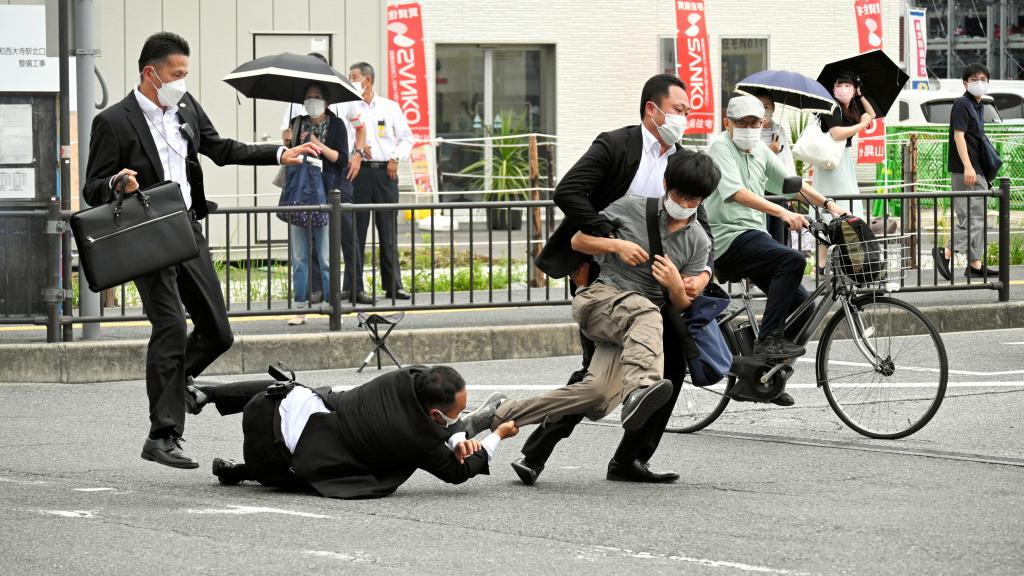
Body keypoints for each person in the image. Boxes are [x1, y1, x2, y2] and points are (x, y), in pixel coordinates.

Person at [82, 32, 320, 469]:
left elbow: (220, 149)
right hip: (145, 233)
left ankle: (177, 384)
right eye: (176, 75)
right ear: (150, 73)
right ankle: (163, 434)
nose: (182, 83)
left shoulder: (186, 109)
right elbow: (92, 187)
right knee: (171, 326)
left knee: (218, 331)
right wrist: (118, 183)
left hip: (187, 229)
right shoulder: (115, 121)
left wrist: (279, 153)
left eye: (186, 75)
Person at [524, 74, 716, 486]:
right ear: (653, 108)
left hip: (661, 285)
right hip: (607, 277)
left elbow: (701, 225)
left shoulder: (681, 160)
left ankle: (630, 459)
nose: (684, 117)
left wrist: (702, 274)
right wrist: (608, 237)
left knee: (673, 364)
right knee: (596, 371)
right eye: (679, 110)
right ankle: (537, 451)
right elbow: (568, 191)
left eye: (686, 112)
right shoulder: (616, 145)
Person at [486, 151, 717, 442]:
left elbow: (683, 304)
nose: (684, 204)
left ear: (704, 199)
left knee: (595, 395)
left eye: (693, 200)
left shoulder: (699, 241)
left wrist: (675, 285)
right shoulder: (632, 207)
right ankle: (642, 387)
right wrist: (617, 246)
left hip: (634, 329)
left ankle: (501, 412)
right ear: (666, 183)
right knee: (647, 312)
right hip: (601, 300)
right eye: (680, 195)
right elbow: (578, 240)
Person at [705, 95, 848, 405]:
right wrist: (782, 212)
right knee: (792, 259)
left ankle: (764, 378)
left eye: (754, 123)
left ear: (763, 124)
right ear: (728, 123)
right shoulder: (720, 148)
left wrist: (829, 205)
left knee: (804, 305)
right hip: (727, 239)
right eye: (741, 123)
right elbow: (735, 193)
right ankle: (767, 341)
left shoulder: (758, 149)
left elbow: (790, 182)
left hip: (753, 237)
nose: (748, 128)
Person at [187, 365, 518, 499]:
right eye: (458, 412)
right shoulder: (420, 441)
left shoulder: (401, 378)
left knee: (296, 390)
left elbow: (426, 380)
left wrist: (456, 434)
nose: (459, 416)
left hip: (265, 407)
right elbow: (459, 473)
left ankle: (211, 393)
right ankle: (244, 471)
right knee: (324, 466)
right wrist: (498, 435)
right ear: (434, 414)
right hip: (274, 463)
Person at [279, 53, 367, 308]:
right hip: (306, 184)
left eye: (317, 97)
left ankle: (354, 287)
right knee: (310, 241)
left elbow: (359, 130)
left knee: (347, 235)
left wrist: (357, 155)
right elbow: (288, 145)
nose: (312, 101)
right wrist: (288, 141)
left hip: (336, 181)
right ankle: (315, 291)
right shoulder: (296, 109)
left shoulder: (344, 100)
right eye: (310, 97)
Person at [337, 62, 415, 302]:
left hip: (385, 173)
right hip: (357, 172)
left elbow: (406, 138)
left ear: (368, 80)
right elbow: (342, 137)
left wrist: (395, 157)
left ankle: (393, 285)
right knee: (355, 233)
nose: (350, 81)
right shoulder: (346, 106)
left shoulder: (389, 107)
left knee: (388, 231)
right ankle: (352, 286)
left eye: (354, 77)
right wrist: (357, 148)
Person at [934, 63, 1001, 280]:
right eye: (974, 79)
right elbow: (958, 136)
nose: (979, 83)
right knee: (974, 218)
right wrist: (968, 166)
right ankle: (946, 252)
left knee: (975, 216)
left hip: (975, 169)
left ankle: (974, 264)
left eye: (983, 79)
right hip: (967, 170)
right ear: (965, 83)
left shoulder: (977, 106)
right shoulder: (963, 104)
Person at [814, 71, 875, 222]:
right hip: (830, 160)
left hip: (842, 158)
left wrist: (860, 95)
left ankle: (844, 236)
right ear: (833, 89)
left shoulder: (851, 108)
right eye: (839, 85)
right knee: (834, 203)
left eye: (848, 85)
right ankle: (828, 238)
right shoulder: (831, 106)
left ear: (853, 89)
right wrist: (860, 125)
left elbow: (871, 114)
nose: (843, 88)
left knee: (846, 200)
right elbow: (837, 133)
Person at [753, 90, 797, 246]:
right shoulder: (751, 131)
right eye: (760, 106)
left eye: (767, 106)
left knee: (778, 230)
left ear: (773, 108)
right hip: (757, 188)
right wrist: (771, 150)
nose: (764, 109)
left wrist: (791, 187)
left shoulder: (780, 131)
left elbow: (787, 160)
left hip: (778, 187)